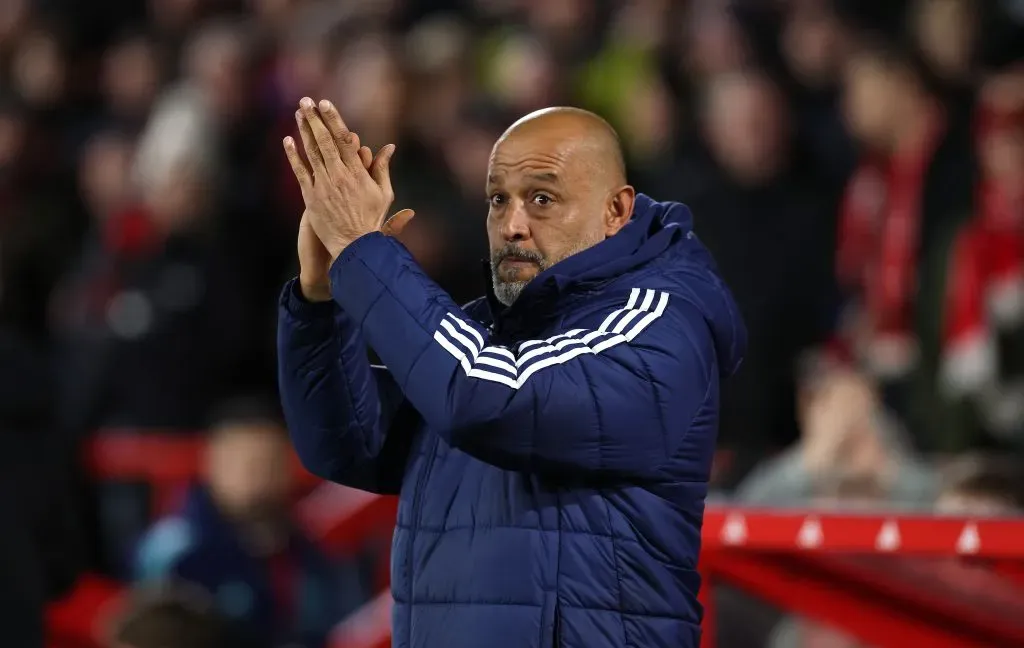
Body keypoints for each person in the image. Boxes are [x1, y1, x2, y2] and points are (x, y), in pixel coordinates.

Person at [277, 98, 746, 647]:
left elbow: (485, 397)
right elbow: (349, 443)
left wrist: (365, 252)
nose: (513, 225)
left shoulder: (658, 325)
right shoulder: (481, 336)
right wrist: (320, 299)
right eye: (498, 200)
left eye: (542, 199)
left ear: (615, 211)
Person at [134, 400, 354, 647]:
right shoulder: (175, 549)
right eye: (247, 464)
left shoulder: (308, 550)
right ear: (212, 463)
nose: (259, 478)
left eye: (271, 463)